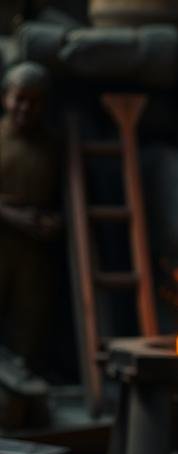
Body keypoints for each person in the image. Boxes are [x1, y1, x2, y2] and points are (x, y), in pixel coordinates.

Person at [0, 61, 61, 370]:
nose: (25, 108)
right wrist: (13, 217)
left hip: (34, 253)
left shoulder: (52, 146)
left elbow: (64, 198)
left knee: (28, 325)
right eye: (19, 98)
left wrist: (54, 222)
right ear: (5, 98)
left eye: (34, 101)